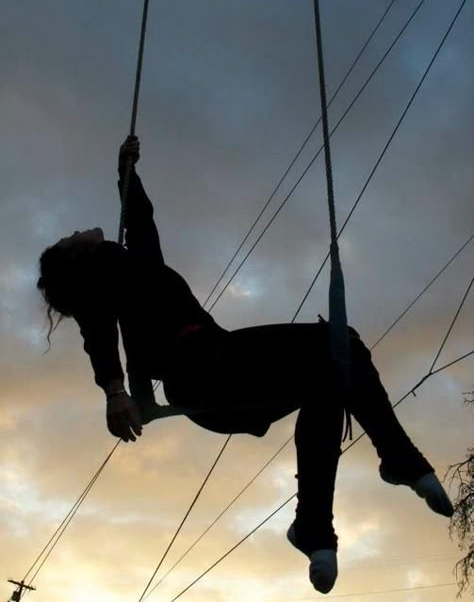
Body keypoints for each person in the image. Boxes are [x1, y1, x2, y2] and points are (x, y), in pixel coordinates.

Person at [37, 136, 453, 594]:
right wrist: (115, 392)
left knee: (332, 370)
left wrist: (126, 173)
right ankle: (396, 461)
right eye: (68, 239)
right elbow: (97, 333)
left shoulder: (136, 268)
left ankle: (316, 529)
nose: (76, 231)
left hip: (222, 371)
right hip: (205, 375)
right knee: (337, 346)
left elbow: (140, 223)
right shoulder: (103, 281)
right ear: (80, 260)